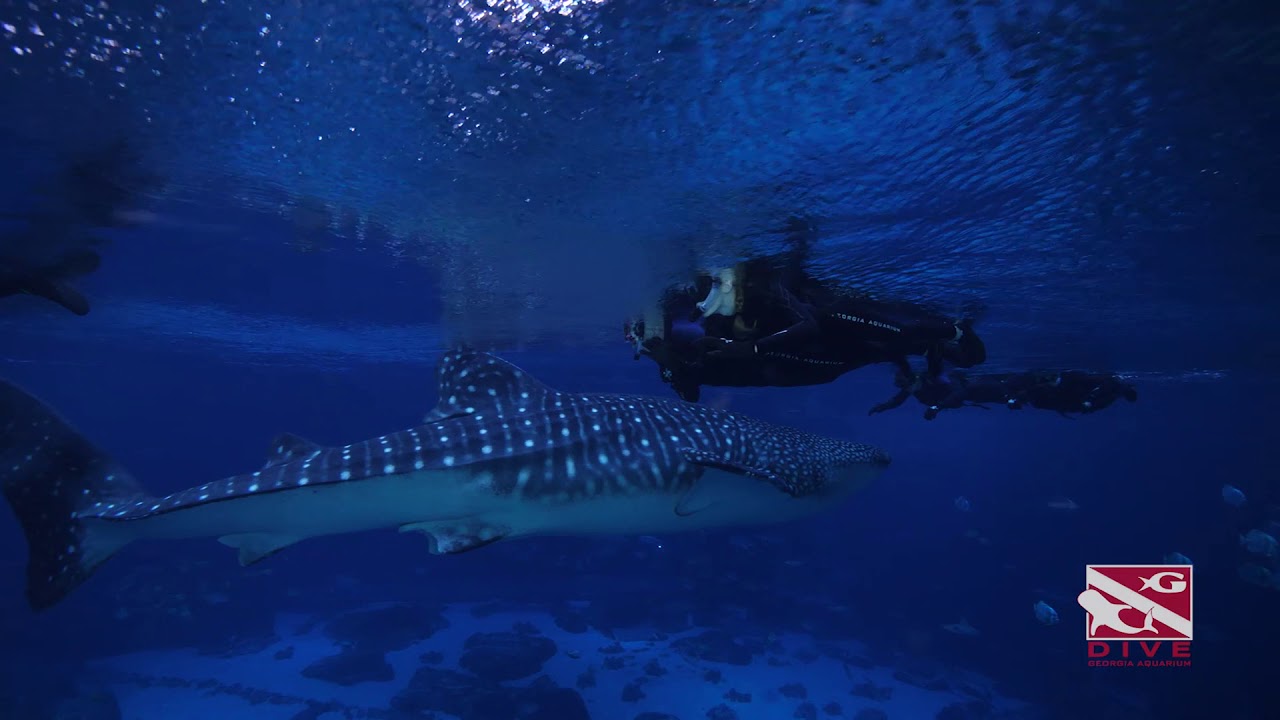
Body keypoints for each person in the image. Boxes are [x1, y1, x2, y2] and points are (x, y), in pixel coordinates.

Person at [867, 368, 1137, 419]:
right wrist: (883, 406)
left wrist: (938, 408)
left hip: (985, 388)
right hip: (980, 394)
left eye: (907, 385)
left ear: (915, 379)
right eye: (903, 388)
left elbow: (965, 390)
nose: (905, 391)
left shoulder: (933, 380)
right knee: (1043, 399)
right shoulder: (911, 388)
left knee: (1023, 389)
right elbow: (899, 398)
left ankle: (1117, 387)